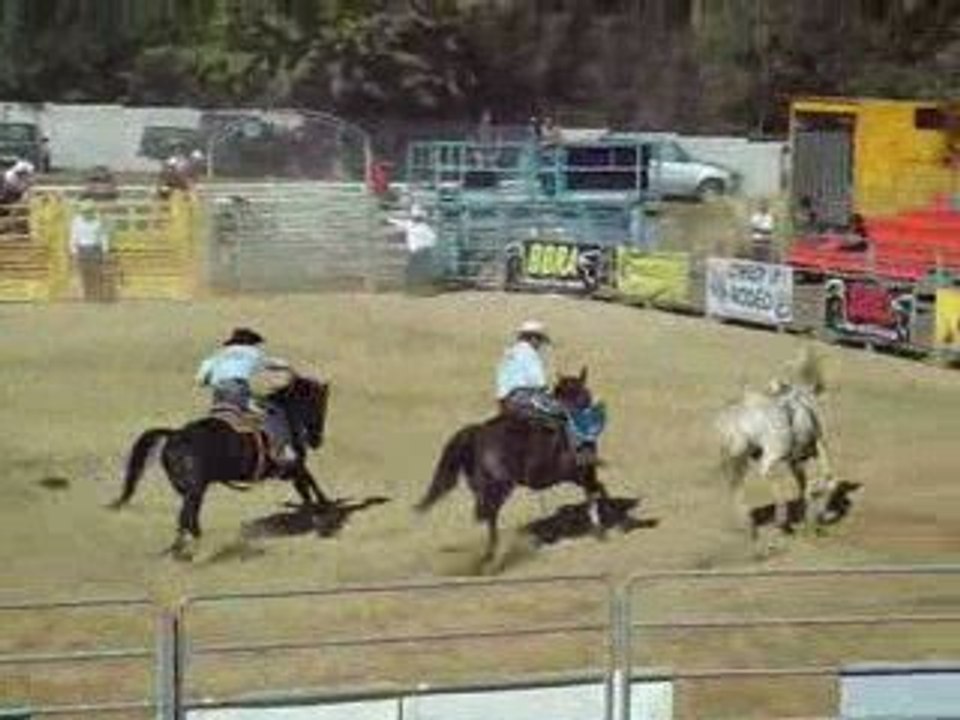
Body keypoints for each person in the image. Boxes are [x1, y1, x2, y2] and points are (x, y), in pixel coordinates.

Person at [195, 328, 297, 463]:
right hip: (239, 395)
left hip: (219, 397)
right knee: (273, 412)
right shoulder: (254, 353)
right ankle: (283, 450)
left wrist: (214, 379)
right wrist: (288, 369)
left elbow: (200, 380)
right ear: (251, 343)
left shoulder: (217, 355)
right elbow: (277, 365)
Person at [495, 320, 576, 449]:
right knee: (567, 415)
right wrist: (549, 392)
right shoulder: (530, 353)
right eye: (540, 340)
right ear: (533, 338)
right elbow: (539, 384)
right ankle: (580, 455)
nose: (540, 344)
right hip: (525, 399)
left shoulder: (508, 354)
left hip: (504, 403)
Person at [387, 203, 438, 293]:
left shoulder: (424, 227)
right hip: (416, 252)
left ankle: (416, 289)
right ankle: (416, 289)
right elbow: (399, 223)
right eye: (415, 217)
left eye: (417, 217)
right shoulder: (412, 225)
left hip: (421, 252)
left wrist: (425, 248)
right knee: (414, 271)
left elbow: (433, 240)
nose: (415, 218)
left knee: (414, 271)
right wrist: (389, 220)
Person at [69, 200, 112, 301]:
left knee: (97, 273)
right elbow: (73, 236)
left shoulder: (99, 220)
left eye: (88, 211)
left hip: (95, 248)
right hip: (82, 248)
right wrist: (73, 251)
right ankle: (83, 296)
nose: (86, 213)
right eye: (84, 211)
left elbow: (103, 236)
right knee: (82, 273)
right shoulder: (76, 220)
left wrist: (105, 250)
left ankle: (97, 294)